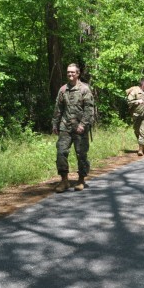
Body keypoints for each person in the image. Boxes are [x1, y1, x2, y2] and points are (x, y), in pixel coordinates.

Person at [52, 63, 95, 193]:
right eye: (68, 72)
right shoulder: (63, 89)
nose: (70, 74)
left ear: (78, 74)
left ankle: (81, 179)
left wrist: (82, 124)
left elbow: (89, 109)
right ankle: (64, 180)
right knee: (61, 152)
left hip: (80, 128)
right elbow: (58, 108)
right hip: (65, 126)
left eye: (72, 72)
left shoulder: (84, 89)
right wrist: (55, 124)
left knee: (81, 154)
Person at [126, 78, 144, 156]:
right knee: (136, 131)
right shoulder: (135, 91)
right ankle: (142, 146)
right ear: (143, 84)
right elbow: (129, 101)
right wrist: (137, 101)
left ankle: (140, 150)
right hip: (136, 114)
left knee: (143, 131)